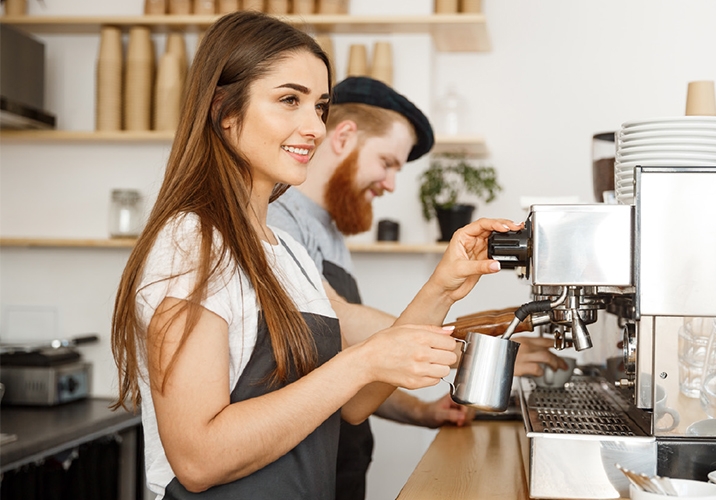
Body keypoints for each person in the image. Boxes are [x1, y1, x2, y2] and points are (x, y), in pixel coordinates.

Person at [110, 11, 523, 500]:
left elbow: (352, 405)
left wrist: (443, 286)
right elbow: (199, 459)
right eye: (290, 100)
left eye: (320, 107)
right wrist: (362, 362)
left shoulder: (285, 252)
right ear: (224, 108)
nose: (315, 128)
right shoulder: (192, 244)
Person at [267, 76, 567, 499]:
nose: (390, 184)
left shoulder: (327, 229)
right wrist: (472, 354)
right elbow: (343, 323)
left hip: (337, 466)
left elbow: (347, 366)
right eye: (388, 162)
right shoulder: (277, 219)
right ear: (345, 136)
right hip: (294, 470)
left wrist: (422, 412)